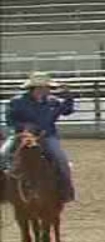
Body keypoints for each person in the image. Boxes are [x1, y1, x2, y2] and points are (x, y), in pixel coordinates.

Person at [1, 72, 76, 201]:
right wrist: (24, 126)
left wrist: (69, 97)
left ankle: (66, 190)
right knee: (2, 156)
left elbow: (67, 111)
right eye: (45, 87)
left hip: (47, 136)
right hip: (22, 135)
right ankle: (2, 192)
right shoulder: (18, 102)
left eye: (48, 87)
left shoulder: (52, 102)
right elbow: (10, 120)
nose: (48, 90)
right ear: (36, 88)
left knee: (61, 160)